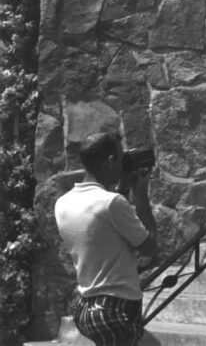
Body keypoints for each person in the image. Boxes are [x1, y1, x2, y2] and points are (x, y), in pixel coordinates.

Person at [55, 133, 157, 346]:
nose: (122, 165)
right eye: (120, 159)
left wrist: (123, 189)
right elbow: (149, 247)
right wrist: (141, 195)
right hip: (114, 308)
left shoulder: (62, 204)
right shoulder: (112, 203)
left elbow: (105, 228)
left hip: (85, 307)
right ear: (111, 161)